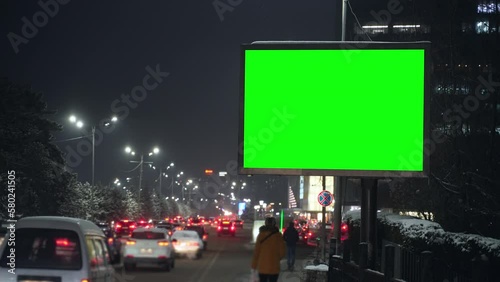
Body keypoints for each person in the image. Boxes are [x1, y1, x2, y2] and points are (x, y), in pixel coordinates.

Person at [251, 217, 286, 282]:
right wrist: (276, 258)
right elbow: (282, 252)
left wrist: (254, 266)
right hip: (274, 267)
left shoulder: (261, 235)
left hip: (262, 267)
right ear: (274, 224)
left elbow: (256, 252)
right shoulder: (278, 236)